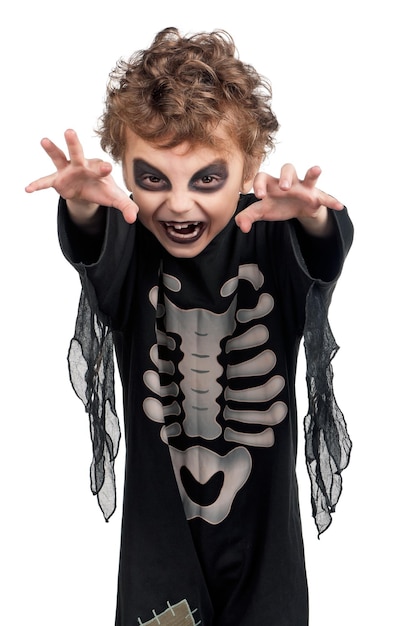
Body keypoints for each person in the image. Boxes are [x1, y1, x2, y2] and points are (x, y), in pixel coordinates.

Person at [26, 27, 353, 626]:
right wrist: (79, 205)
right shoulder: (132, 251)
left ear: (248, 167)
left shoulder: (270, 239)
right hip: (161, 537)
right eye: (153, 179)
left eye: (206, 179)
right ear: (123, 171)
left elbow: (323, 257)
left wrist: (312, 221)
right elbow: (96, 247)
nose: (178, 206)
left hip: (264, 544)